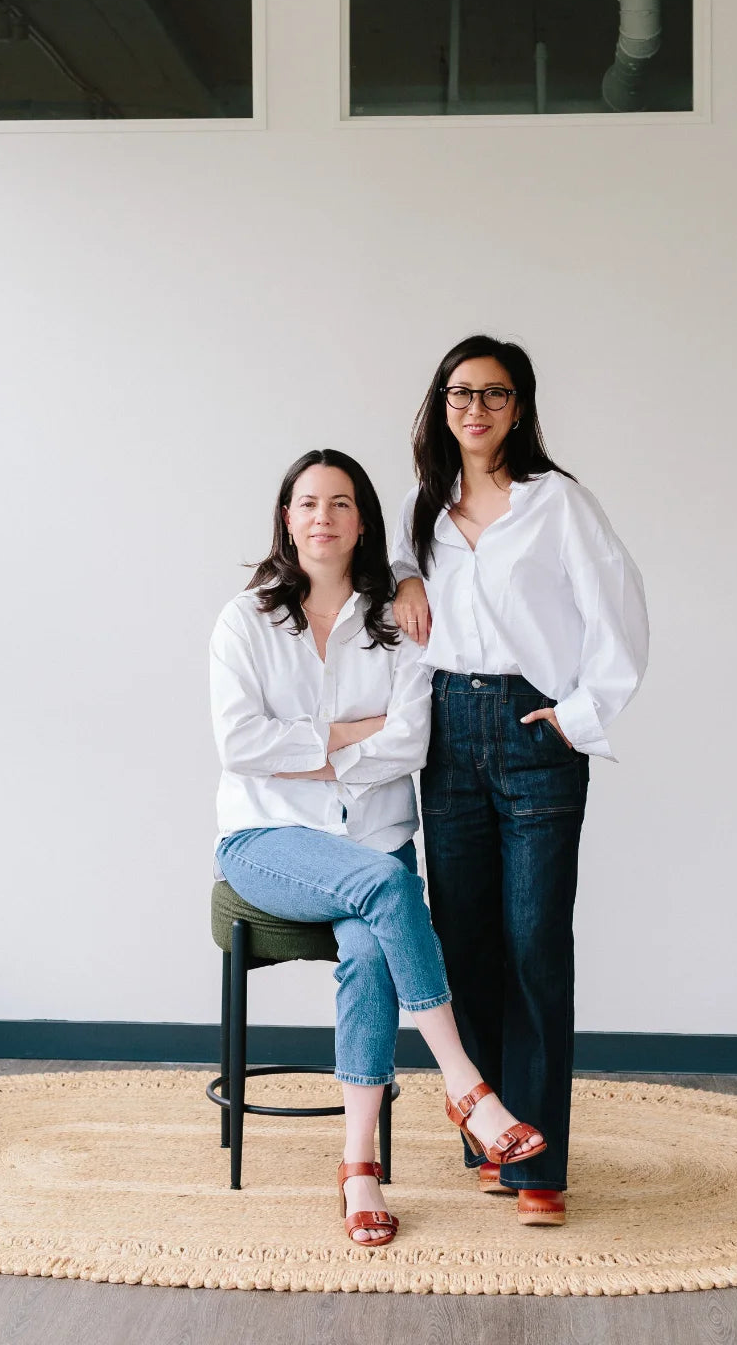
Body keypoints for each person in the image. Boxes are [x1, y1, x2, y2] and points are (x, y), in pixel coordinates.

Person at [210, 448, 549, 1247]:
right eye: (305, 504)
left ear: (363, 521)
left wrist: (308, 745)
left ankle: (357, 1167)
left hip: (372, 840)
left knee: (370, 943)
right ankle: (465, 1084)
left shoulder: (399, 621)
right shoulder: (244, 620)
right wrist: (348, 734)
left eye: (338, 504)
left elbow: (410, 743)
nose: (321, 518)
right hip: (266, 840)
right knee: (391, 892)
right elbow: (237, 743)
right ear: (285, 520)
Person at [391, 337, 649, 1227]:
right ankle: (488, 1136)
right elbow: (391, 575)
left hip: (531, 726)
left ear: (520, 406)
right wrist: (402, 576)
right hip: (446, 735)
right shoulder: (426, 507)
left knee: (534, 939)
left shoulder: (557, 504)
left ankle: (541, 1165)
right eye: (461, 393)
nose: (476, 409)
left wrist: (575, 715)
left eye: (495, 395)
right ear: (441, 405)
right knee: (462, 941)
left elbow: (621, 607)